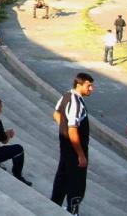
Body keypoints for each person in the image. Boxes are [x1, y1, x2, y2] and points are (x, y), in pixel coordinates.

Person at [51, 73, 94, 215]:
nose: (91, 89)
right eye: (88, 85)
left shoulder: (66, 96)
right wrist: (81, 155)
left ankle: (54, 205)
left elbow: (56, 114)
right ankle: (73, 211)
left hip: (65, 148)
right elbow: (73, 130)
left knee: (62, 177)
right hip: (74, 150)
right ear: (79, 84)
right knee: (77, 182)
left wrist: (63, 130)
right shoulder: (76, 102)